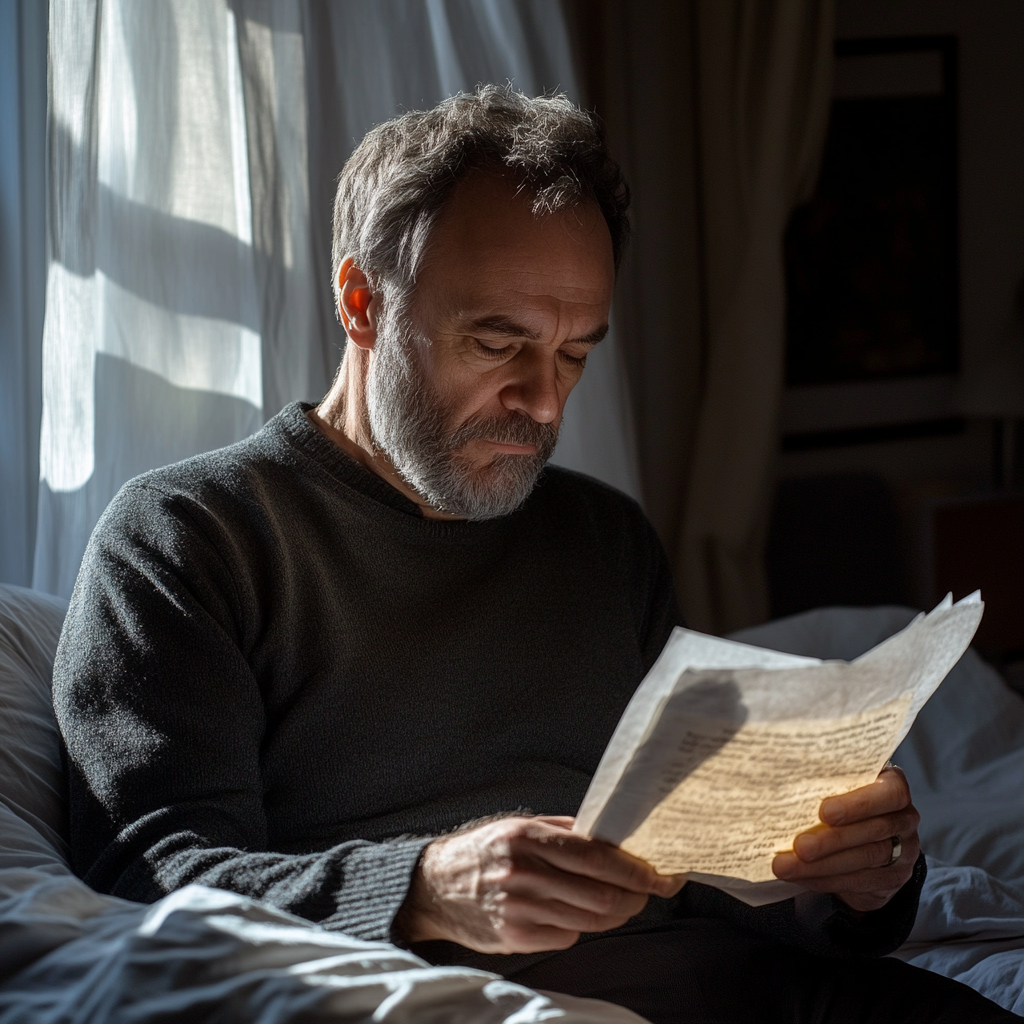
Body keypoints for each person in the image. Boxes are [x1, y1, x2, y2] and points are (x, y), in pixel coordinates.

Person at [54, 86, 1018, 1023]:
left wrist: (857, 885)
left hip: (751, 986)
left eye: (574, 355)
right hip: (448, 1001)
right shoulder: (186, 538)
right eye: (497, 342)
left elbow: (708, 880)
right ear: (361, 302)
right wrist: (424, 889)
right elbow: (151, 882)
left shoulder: (605, 538)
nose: (546, 405)